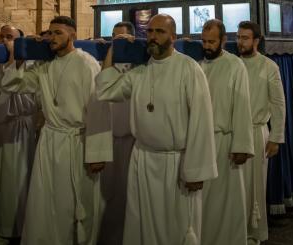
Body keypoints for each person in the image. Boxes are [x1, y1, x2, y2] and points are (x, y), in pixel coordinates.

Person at [96, 14, 217, 245]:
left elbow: (201, 121)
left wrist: (196, 171)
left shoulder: (189, 69)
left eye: (160, 32)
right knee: (140, 224)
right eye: (150, 32)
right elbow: (106, 90)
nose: (153, 37)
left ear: (173, 36)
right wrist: (115, 47)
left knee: (176, 226)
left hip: (175, 164)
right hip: (142, 160)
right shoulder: (141, 71)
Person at [1, 16, 111, 245]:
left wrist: (97, 153)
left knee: (74, 202)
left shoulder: (86, 63)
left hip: (76, 143)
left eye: (58, 33)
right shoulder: (44, 64)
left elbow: (99, 108)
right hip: (50, 140)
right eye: (49, 33)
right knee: (45, 200)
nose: (52, 37)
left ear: (72, 35)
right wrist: (22, 55)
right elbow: (13, 85)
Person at [0, 24, 39, 244]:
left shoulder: (29, 63)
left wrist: (16, 60)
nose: (4, 41)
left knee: (13, 180)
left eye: (10, 37)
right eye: (2, 36)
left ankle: (10, 228)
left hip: (17, 126)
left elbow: (22, 92)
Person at [199, 19, 254, 245]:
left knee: (225, 201)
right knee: (202, 202)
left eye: (212, 41)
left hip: (224, 143)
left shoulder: (235, 66)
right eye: (203, 41)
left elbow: (242, 107)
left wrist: (241, 146)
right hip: (201, 142)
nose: (207, 46)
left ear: (223, 40)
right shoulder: (197, 65)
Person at [236, 21, 286, 245]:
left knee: (255, 187)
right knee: (236, 187)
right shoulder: (231, 64)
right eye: (238, 37)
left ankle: (254, 233)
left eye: (245, 38)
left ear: (256, 40)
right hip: (234, 133)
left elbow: (278, 104)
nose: (240, 42)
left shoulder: (269, 66)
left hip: (257, 132)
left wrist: (276, 137)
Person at [99, 21, 138, 245]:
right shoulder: (107, 65)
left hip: (133, 141)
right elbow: (102, 89)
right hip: (109, 138)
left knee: (131, 194)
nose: (117, 41)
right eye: (113, 37)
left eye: (121, 38)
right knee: (109, 195)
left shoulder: (139, 66)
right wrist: (112, 50)